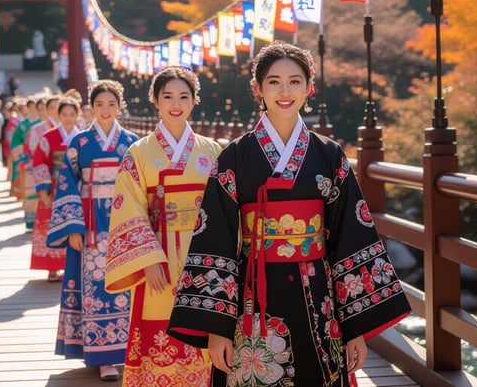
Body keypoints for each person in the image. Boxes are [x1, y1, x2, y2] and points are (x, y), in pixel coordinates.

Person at [168, 42, 411, 387]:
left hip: (319, 293)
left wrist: (355, 328)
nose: (285, 92)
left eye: (295, 81)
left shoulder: (329, 155)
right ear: (258, 88)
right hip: (252, 293)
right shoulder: (235, 156)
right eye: (274, 82)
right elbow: (215, 238)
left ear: (309, 87)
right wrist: (215, 330)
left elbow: (350, 236)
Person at [105, 67, 220, 386]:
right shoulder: (138, 153)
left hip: (203, 259)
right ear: (155, 100)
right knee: (158, 326)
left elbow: (225, 210)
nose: (175, 103)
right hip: (159, 259)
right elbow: (128, 208)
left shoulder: (212, 151)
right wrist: (148, 261)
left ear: (194, 101)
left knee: (204, 326)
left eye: (184, 96)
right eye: (167, 96)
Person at [47, 80, 138, 381]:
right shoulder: (80, 143)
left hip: (125, 218)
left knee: (129, 281)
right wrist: (73, 225)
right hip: (91, 222)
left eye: (111, 104)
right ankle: (104, 356)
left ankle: (129, 348)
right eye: (100, 105)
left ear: (119, 106)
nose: (106, 110)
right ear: (91, 108)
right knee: (96, 285)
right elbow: (67, 182)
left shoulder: (131, 142)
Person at [32, 90, 81, 282]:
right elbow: (40, 162)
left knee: (74, 225)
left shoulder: (82, 137)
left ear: (77, 116)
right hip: (54, 187)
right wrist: (43, 189)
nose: (68, 119)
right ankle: (51, 267)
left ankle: (71, 266)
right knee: (49, 224)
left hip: (77, 187)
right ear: (58, 116)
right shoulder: (48, 137)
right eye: (64, 115)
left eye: (72, 114)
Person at [23, 95, 59, 229]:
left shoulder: (74, 128)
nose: (55, 111)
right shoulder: (37, 129)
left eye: (57, 107)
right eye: (51, 108)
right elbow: (34, 151)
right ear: (47, 110)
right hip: (47, 174)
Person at [9, 98, 41, 200]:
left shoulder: (42, 122)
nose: (32, 110)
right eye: (30, 108)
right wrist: (20, 151)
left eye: (34, 108)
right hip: (26, 154)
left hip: (40, 152)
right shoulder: (22, 125)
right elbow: (16, 140)